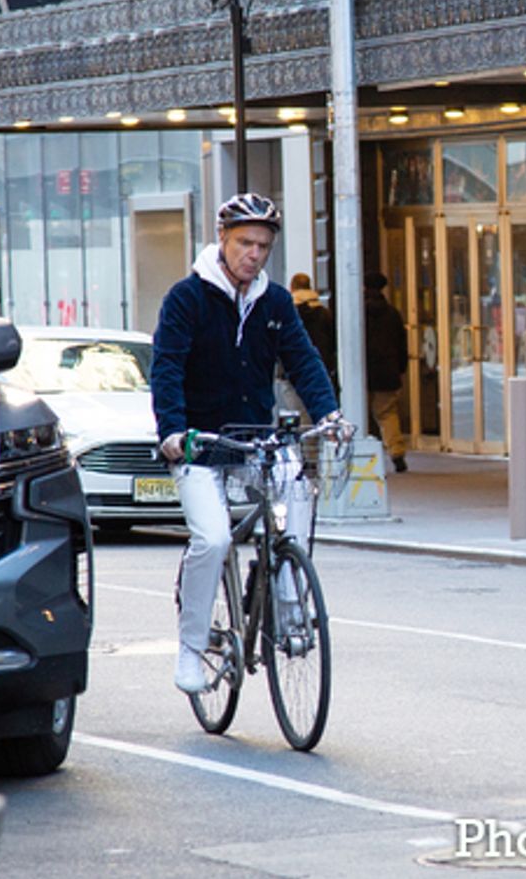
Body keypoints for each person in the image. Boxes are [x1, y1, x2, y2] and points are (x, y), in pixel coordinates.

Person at [151, 192, 346, 694]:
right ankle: (192, 649)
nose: (253, 254)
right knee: (213, 538)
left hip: (254, 439)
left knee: (298, 489)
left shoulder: (275, 301)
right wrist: (172, 431)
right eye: (244, 243)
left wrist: (330, 414)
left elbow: (303, 360)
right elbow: (167, 368)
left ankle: (287, 599)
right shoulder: (187, 298)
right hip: (199, 441)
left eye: (263, 245)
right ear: (222, 240)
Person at [363, 269, 409, 473]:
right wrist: (400, 368)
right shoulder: (392, 313)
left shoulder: (359, 312)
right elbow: (401, 344)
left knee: (358, 413)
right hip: (387, 372)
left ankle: (360, 452)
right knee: (387, 413)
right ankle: (396, 452)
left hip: (363, 372)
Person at [289, 272, 338, 394]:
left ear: (292, 287)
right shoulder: (323, 313)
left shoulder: (288, 312)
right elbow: (333, 342)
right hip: (320, 365)